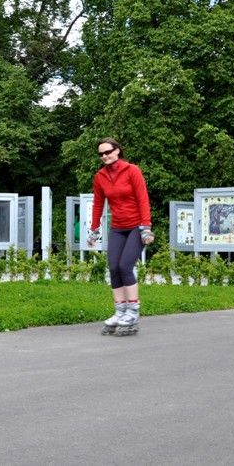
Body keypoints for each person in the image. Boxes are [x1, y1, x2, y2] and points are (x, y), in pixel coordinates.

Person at [88, 138, 154, 336]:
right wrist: (94, 230)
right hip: (117, 228)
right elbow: (98, 204)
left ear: (117, 151)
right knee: (114, 267)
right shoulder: (100, 177)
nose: (104, 156)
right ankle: (120, 311)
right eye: (101, 154)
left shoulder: (132, 170)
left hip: (136, 226)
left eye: (107, 152)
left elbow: (143, 198)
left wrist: (146, 228)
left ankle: (132, 312)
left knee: (125, 266)